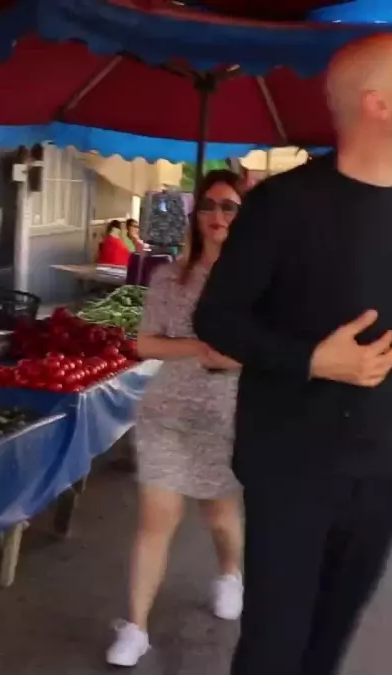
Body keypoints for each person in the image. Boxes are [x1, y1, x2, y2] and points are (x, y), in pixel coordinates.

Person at [193, 34, 392, 675]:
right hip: (295, 468)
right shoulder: (283, 205)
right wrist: (312, 360)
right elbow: (218, 317)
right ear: (376, 103)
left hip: (387, 469)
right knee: (274, 648)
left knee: (328, 645)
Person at [106, 171, 246, 667]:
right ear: (195, 214)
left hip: (228, 417)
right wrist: (200, 346)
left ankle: (230, 573)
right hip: (167, 414)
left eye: (229, 207)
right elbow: (146, 343)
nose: (217, 216)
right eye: (209, 205)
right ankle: (137, 626)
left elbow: (265, 351)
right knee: (154, 521)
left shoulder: (259, 280)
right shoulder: (170, 276)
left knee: (221, 515)